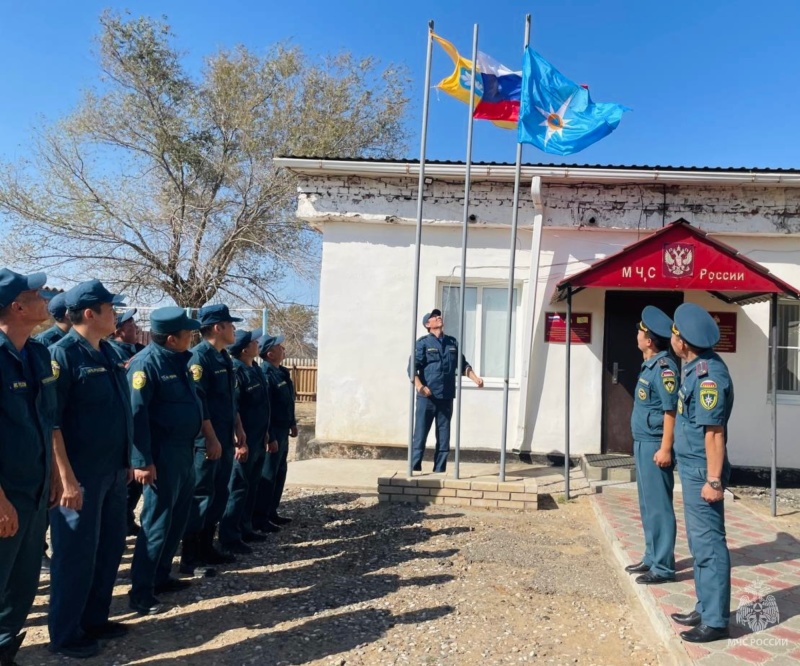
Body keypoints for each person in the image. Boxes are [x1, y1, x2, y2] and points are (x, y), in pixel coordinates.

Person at [47, 279, 132, 659]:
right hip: (79, 475)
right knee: (75, 555)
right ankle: (66, 633)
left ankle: (94, 618)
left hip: (112, 471)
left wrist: (127, 463)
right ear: (89, 313)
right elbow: (52, 424)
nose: (115, 314)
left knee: (109, 548)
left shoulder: (108, 352)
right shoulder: (62, 356)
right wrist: (64, 478)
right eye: (110, 308)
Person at [0, 269, 60, 666]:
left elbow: (46, 419)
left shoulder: (36, 352)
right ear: (18, 307)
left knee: (22, 586)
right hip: (6, 493)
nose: (45, 299)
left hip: (35, 489)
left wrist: (55, 474)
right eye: (36, 294)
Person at [127, 307, 203, 616]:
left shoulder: (180, 360)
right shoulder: (146, 365)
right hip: (161, 455)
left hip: (184, 451)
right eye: (187, 333)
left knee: (178, 518)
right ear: (172, 339)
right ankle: (141, 590)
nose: (191, 337)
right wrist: (143, 460)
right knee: (157, 522)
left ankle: (161, 576)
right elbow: (136, 416)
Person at [668, 303, 734, 643]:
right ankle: (704, 606)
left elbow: (714, 432)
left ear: (684, 341)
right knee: (699, 542)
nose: (671, 339)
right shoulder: (694, 368)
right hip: (692, 465)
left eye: (674, 334)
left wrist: (713, 480)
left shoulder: (708, 376)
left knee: (709, 544)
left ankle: (717, 621)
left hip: (701, 471)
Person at [180, 304, 247, 572]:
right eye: (230, 325)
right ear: (218, 327)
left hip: (224, 437)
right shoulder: (199, 358)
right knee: (201, 495)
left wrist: (238, 427)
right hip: (206, 442)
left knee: (219, 493)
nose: (234, 329)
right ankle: (190, 556)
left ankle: (208, 547)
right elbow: (200, 404)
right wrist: (211, 438)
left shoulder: (223, 358)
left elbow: (230, 400)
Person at [625, 306, 679, 585]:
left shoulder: (664, 369)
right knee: (647, 504)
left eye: (640, 331)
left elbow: (671, 411)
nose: (637, 334)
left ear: (649, 341)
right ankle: (651, 555)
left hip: (656, 445)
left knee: (659, 506)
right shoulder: (650, 365)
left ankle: (663, 566)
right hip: (643, 442)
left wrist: (666, 448)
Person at [409, 308, 483, 473]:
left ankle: (439, 470)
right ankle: (414, 469)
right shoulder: (422, 343)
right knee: (420, 434)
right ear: (428, 324)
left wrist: (475, 378)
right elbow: (412, 368)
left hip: (446, 397)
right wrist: (420, 387)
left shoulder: (452, 343)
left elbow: (462, 365)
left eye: (439, 315)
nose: (439, 317)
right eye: (434, 317)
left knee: (444, 436)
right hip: (426, 398)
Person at [219, 329, 272, 552]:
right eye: (253, 342)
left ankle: (246, 527)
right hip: (245, 440)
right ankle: (230, 535)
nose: (257, 344)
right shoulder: (237, 371)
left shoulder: (255, 368)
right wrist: (239, 441)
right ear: (244, 349)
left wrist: (266, 433)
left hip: (259, 437)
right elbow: (235, 408)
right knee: (238, 487)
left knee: (251, 485)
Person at [108, 308, 146, 536]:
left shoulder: (140, 350)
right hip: (121, 426)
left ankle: (127, 519)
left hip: (137, 426)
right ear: (120, 330)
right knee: (126, 482)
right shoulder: (112, 352)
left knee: (135, 485)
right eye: (131, 325)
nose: (137, 328)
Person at [253, 334, 293, 533]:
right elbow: (266, 408)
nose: (283, 349)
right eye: (279, 347)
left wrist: (292, 423)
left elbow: (288, 402)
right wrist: (271, 436)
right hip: (273, 431)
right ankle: (260, 517)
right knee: (268, 475)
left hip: (283, 429)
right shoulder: (266, 374)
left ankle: (272, 511)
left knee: (279, 472)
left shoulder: (282, 373)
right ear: (270, 353)